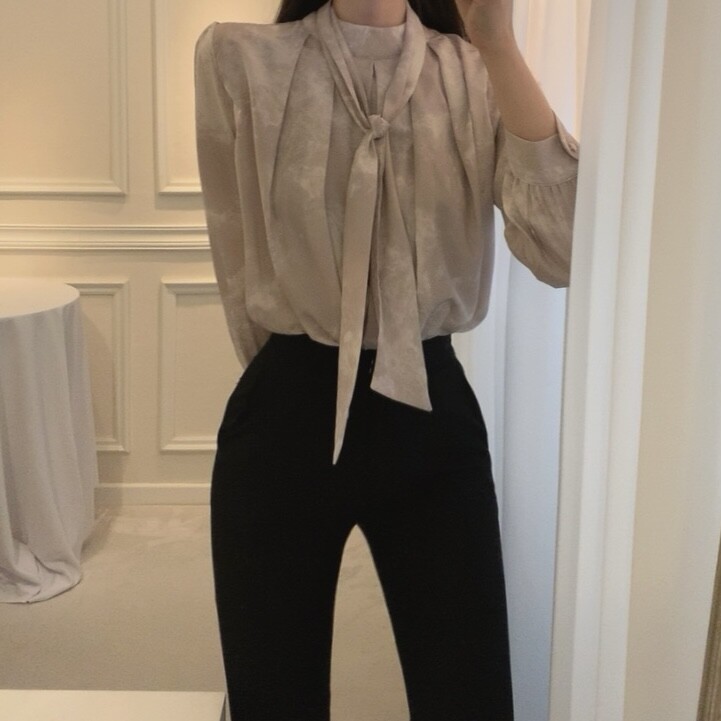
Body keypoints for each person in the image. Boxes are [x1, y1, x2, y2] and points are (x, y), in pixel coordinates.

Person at [194, 0, 579, 718]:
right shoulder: (238, 59)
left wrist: (497, 43)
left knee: (467, 695)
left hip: (431, 416)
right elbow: (234, 247)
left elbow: (564, 249)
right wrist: (285, 378)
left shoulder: (472, 71)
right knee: (271, 696)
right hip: (286, 411)